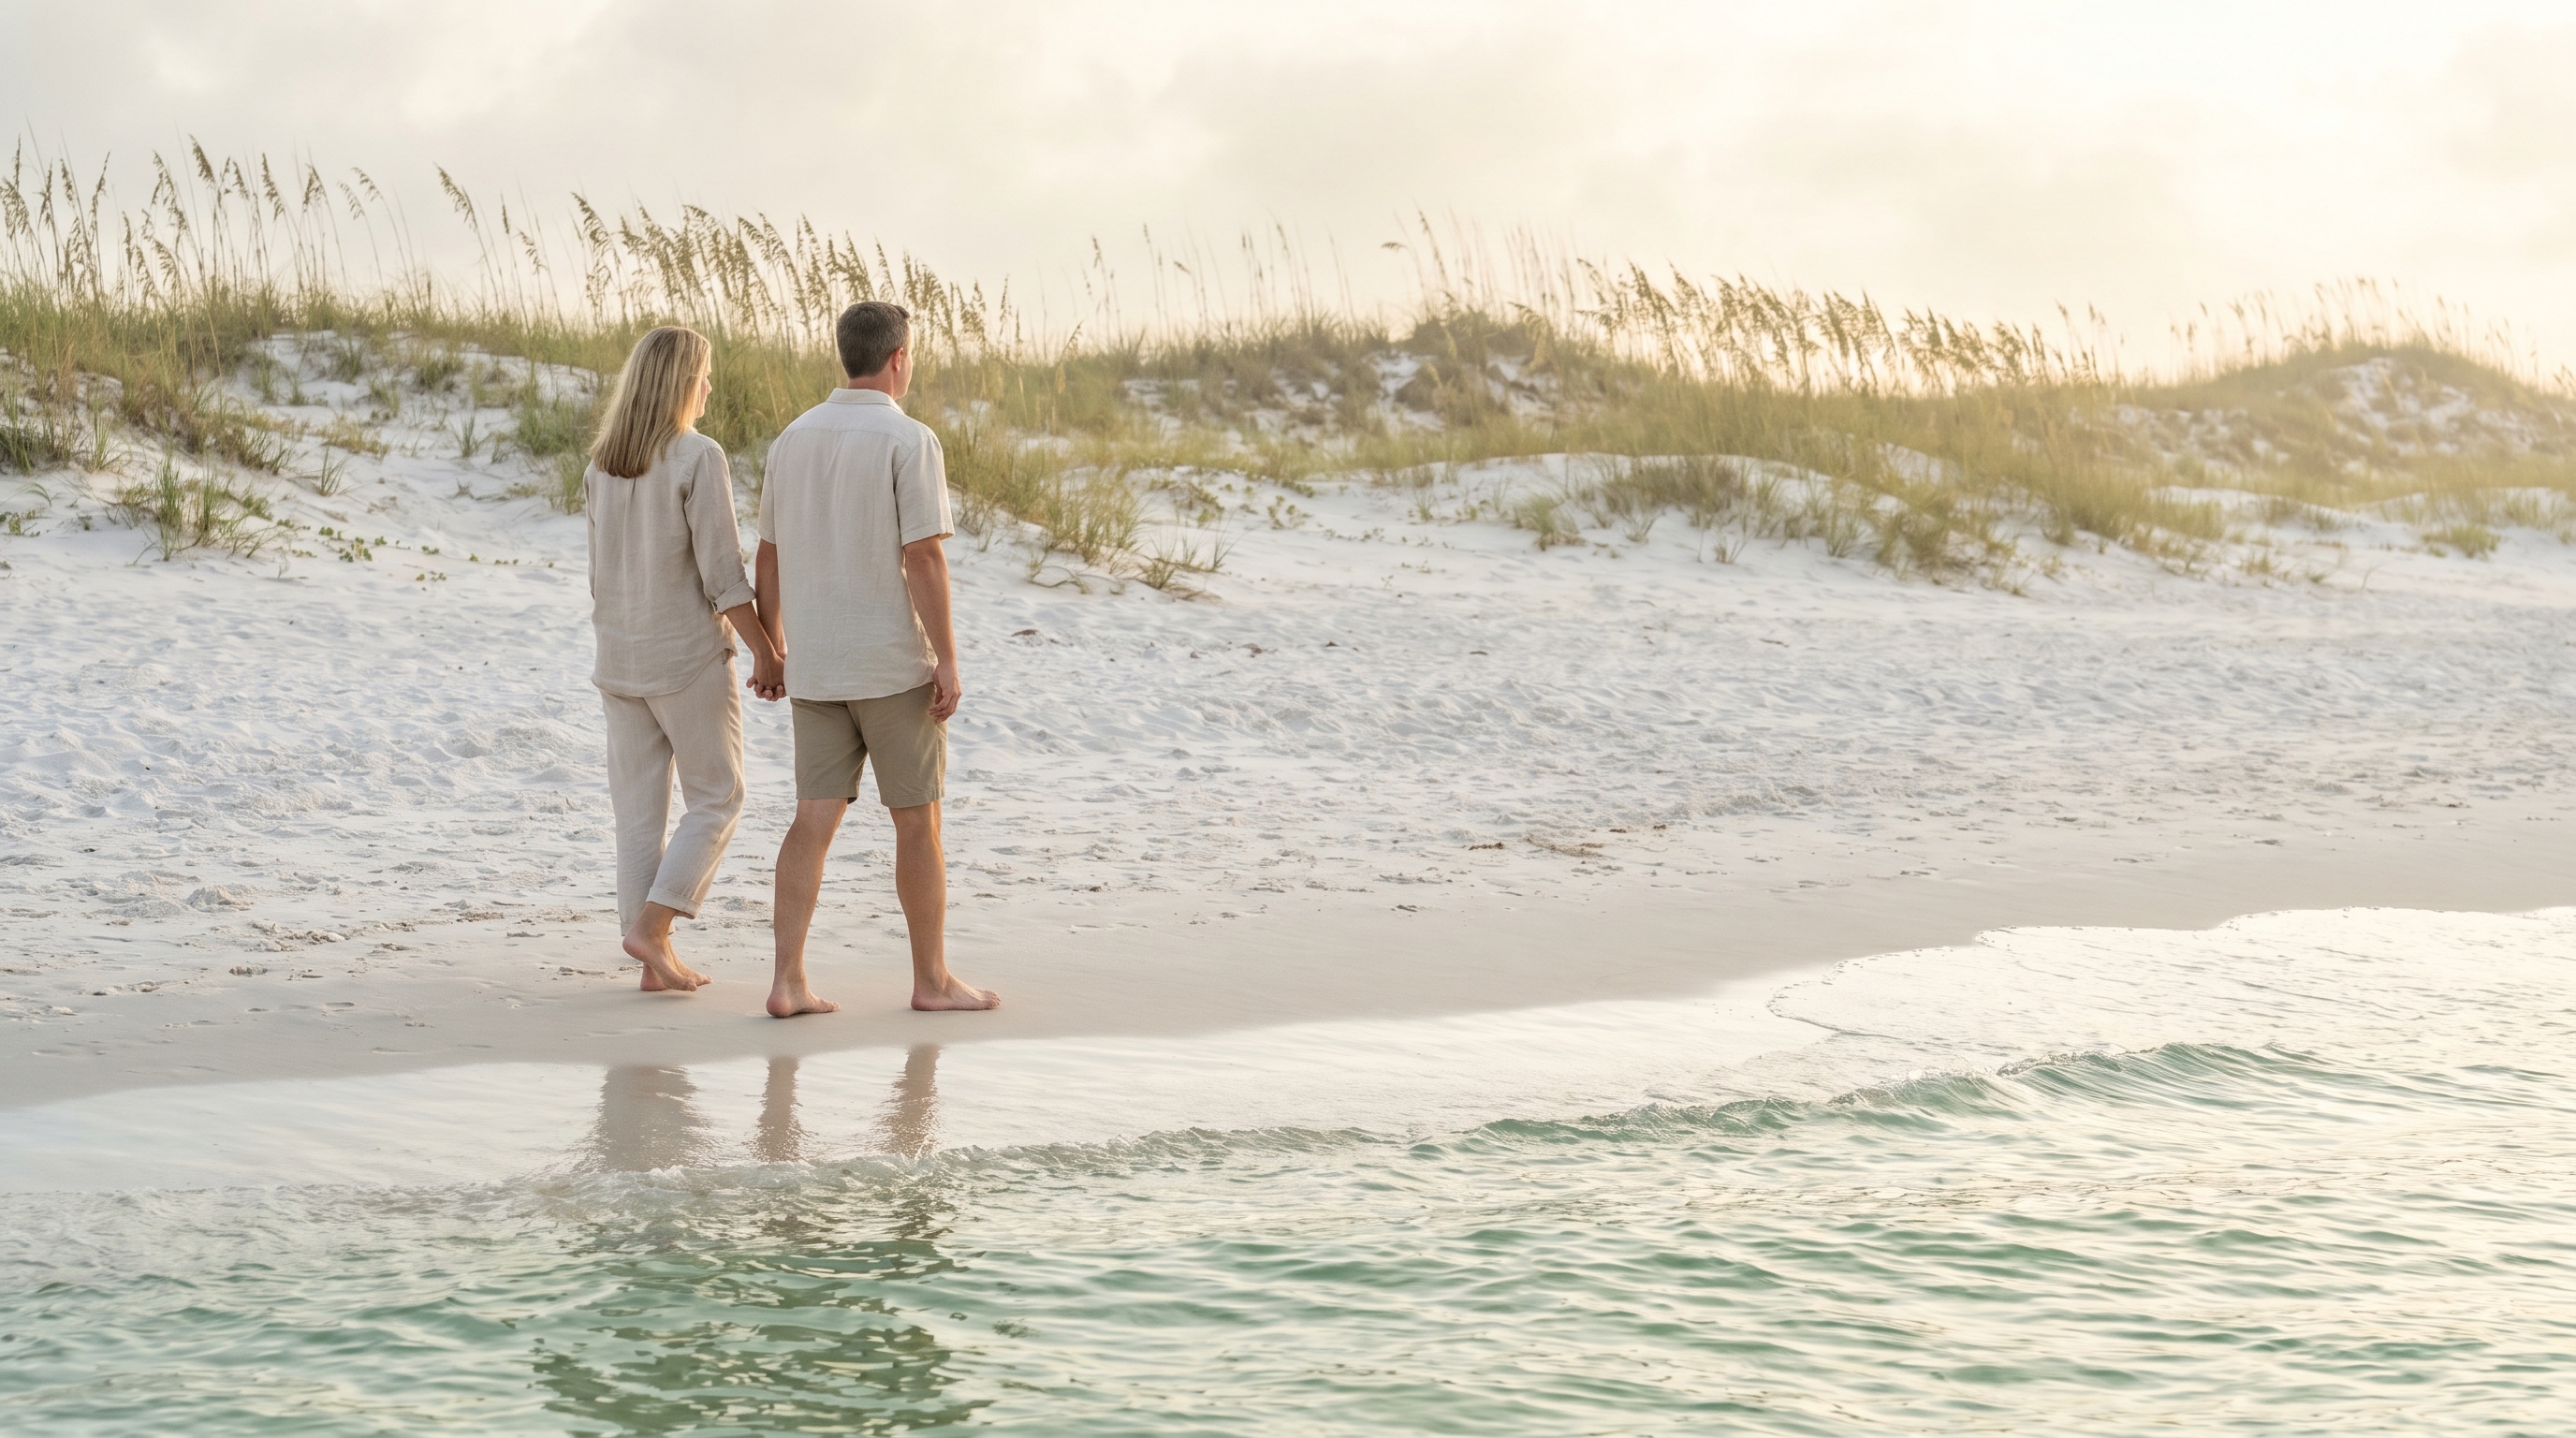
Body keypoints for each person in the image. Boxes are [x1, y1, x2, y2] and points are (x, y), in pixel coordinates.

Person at [754, 301, 999, 1018]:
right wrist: (947, 659)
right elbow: (923, 555)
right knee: (917, 822)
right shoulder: (908, 438)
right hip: (892, 667)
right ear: (899, 358)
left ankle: (787, 981)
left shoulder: (791, 439)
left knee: (811, 821)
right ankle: (931, 981)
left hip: (817, 668)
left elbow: (767, 554)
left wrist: (772, 648)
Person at [584, 325, 786, 994]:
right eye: (703, 374)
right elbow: (723, 576)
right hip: (684, 659)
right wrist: (766, 652)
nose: (709, 386)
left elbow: (598, 575)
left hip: (617, 659)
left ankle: (652, 959)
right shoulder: (697, 456)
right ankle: (655, 928)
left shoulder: (601, 464)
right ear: (680, 383)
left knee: (638, 815)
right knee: (719, 797)